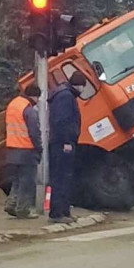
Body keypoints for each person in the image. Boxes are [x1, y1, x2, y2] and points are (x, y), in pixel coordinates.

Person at [48, 72, 87, 224]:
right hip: (63, 144)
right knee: (62, 177)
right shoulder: (66, 97)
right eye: (83, 86)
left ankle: (64, 211)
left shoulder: (65, 95)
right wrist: (66, 141)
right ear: (79, 85)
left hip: (63, 142)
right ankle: (57, 213)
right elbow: (62, 121)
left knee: (65, 177)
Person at [4, 84, 42, 219]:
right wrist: (39, 148)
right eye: (38, 98)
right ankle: (23, 210)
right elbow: (34, 132)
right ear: (34, 96)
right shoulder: (28, 109)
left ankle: (11, 203)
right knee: (27, 182)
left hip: (11, 149)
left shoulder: (13, 104)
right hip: (26, 151)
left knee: (17, 181)